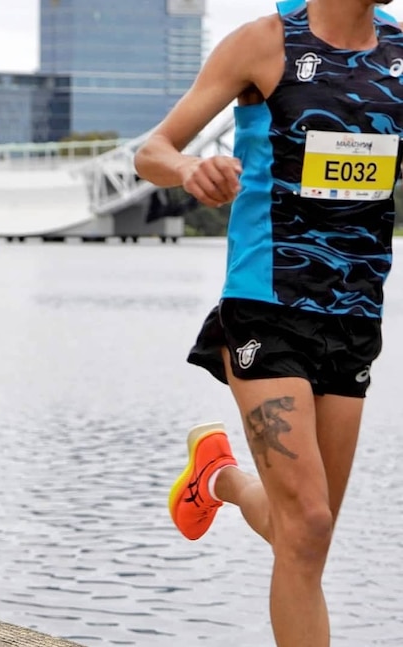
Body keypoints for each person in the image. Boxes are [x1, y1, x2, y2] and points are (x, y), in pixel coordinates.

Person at [134, 1, 402, 646]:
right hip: (267, 305)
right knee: (306, 523)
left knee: (307, 535)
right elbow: (152, 151)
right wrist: (191, 169)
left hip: (357, 312)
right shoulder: (265, 43)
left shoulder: (398, 52)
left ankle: (217, 478)